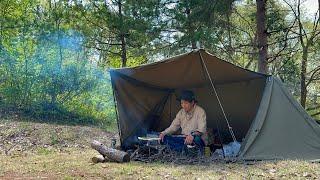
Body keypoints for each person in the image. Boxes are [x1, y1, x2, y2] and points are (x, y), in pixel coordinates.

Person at [159, 90, 207, 154]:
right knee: (164, 138)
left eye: (186, 103)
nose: (183, 105)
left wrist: (192, 135)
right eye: (182, 103)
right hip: (184, 138)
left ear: (192, 102)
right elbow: (173, 126)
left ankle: (180, 150)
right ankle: (183, 150)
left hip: (196, 139)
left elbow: (201, 130)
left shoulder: (200, 111)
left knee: (196, 139)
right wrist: (163, 133)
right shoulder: (181, 112)